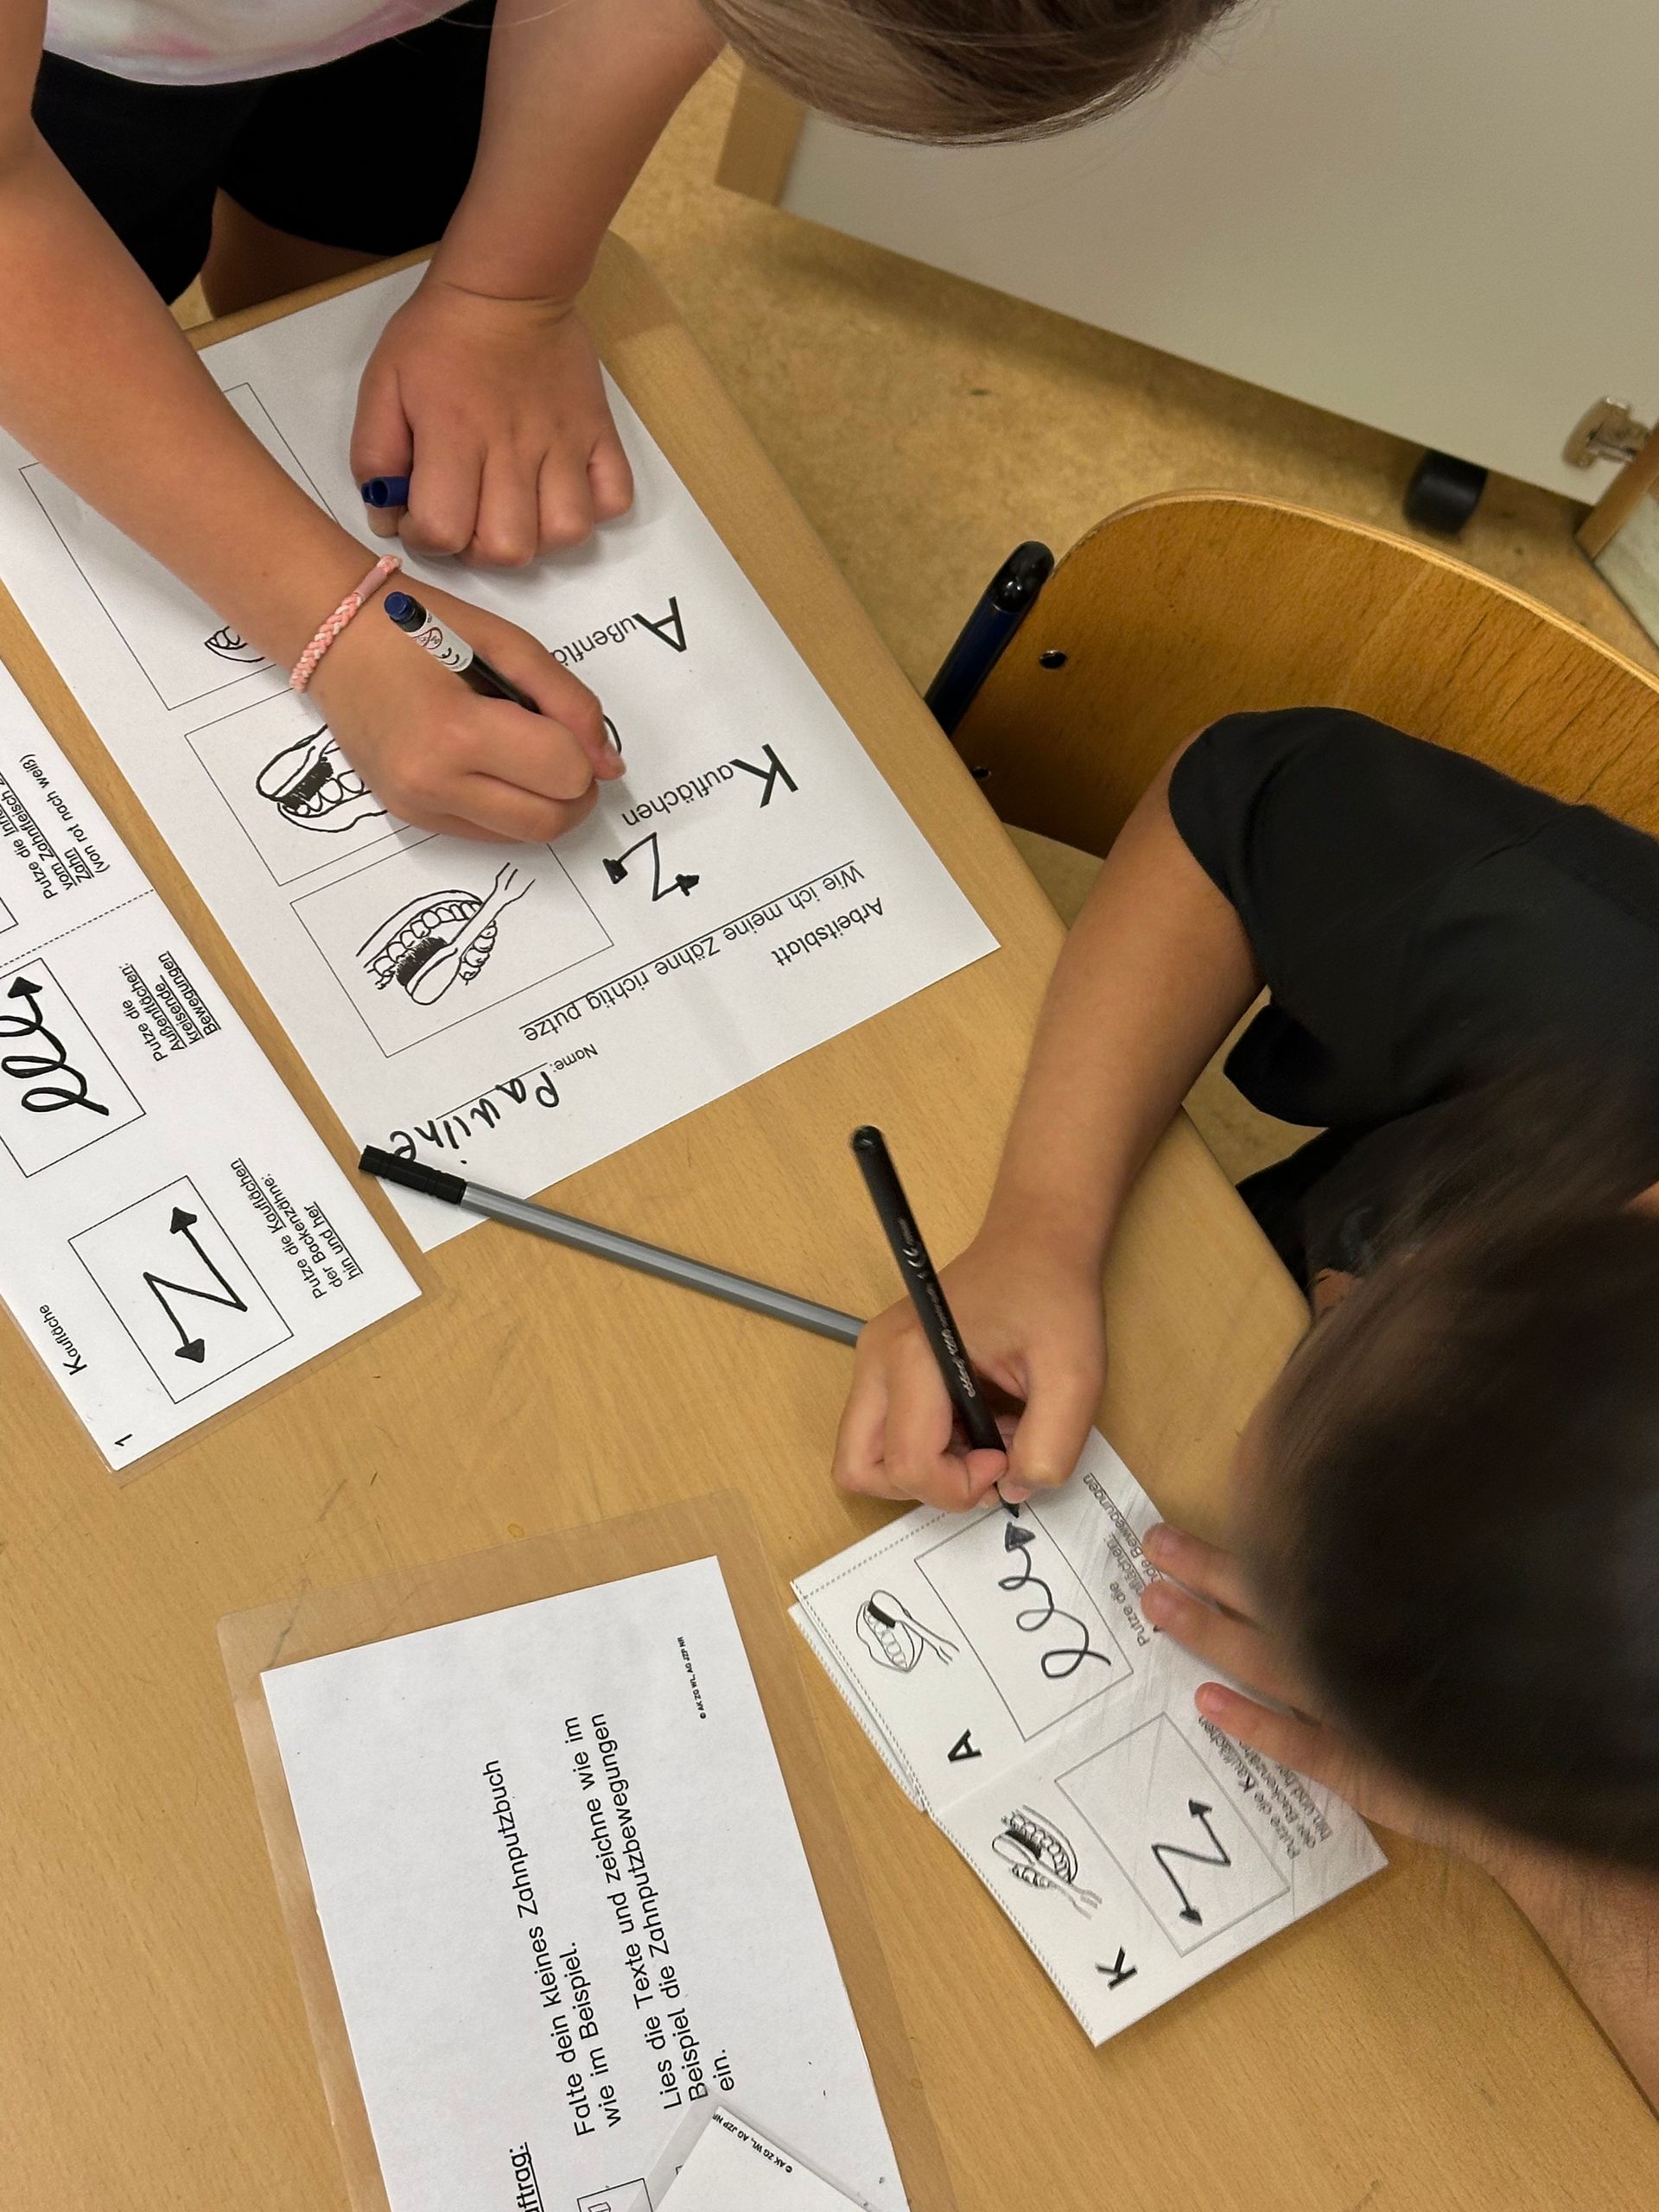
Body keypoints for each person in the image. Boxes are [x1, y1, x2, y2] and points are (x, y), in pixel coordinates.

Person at [835, 708, 1659, 2102]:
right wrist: (1042, 1221)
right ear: (1430, 1262)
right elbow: (1234, 805)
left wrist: (1539, 1854)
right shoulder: (1595, 984)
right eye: (1328, 1348)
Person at [0, 0, 1238, 841]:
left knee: (320, 311)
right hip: (79, 64)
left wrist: (506, 291)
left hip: (423, 32)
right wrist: (333, 629)